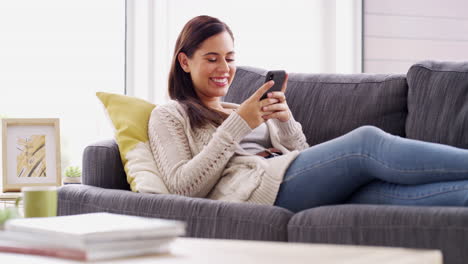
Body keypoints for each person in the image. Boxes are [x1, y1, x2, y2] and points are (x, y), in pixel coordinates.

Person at [148, 15, 468, 213]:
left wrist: (285, 122)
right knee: (366, 143)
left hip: (285, 178)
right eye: (212, 58)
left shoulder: (239, 109)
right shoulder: (170, 114)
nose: (225, 69)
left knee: (393, 195)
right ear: (185, 62)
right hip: (253, 192)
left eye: (230, 58)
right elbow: (181, 189)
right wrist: (238, 124)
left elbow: (303, 157)